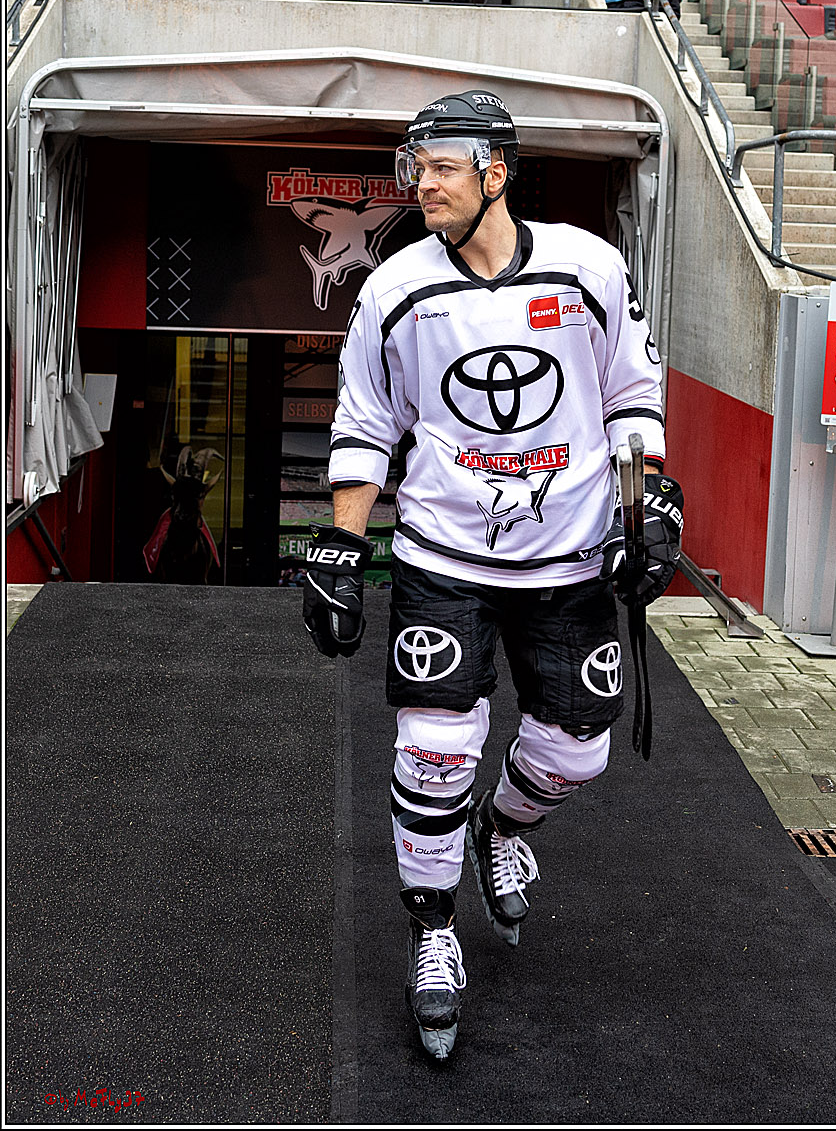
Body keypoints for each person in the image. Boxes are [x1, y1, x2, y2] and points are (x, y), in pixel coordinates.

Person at [301, 91, 684, 1061]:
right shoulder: (393, 290)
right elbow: (363, 424)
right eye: (413, 164)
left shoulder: (589, 268)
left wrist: (646, 507)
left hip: (568, 561)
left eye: (440, 166)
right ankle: (434, 932)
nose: (418, 183)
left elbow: (631, 400)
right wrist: (344, 544)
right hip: (443, 561)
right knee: (434, 751)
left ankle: (502, 827)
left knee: (574, 752)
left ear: (496, 172)